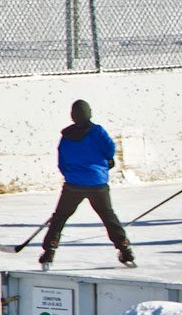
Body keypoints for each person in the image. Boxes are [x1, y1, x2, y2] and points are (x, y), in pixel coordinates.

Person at [38, 100, 135, 271]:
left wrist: (71, 175)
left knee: (60, 217)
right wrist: (106, 163)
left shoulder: (66, 136)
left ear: (73, 116)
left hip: (73, 184)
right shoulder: (97, 131)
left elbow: (62, 162)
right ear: (89, 113)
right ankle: (124, 248)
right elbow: (110, 149)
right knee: (108, 216)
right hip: (97, 183)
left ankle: (49, 251)